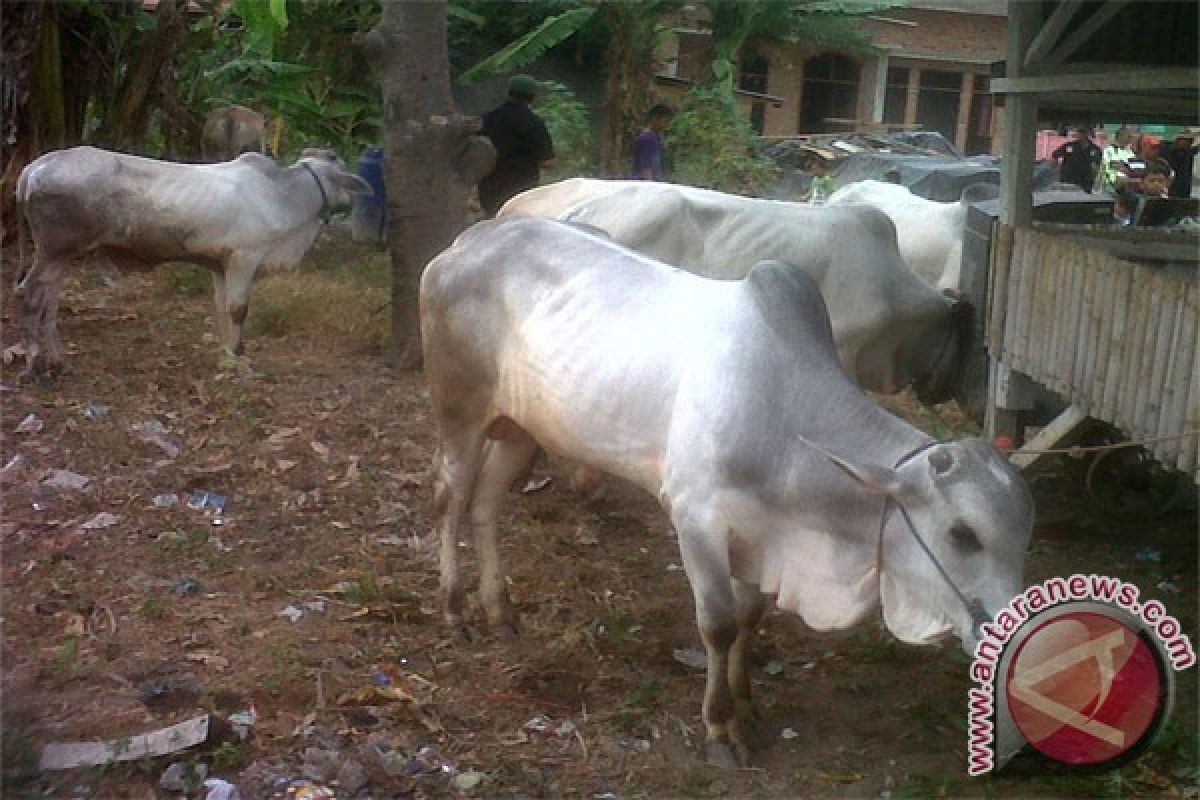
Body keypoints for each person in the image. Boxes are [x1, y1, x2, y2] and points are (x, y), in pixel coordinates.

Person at [478, 75, 556, 217]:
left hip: (489, 190)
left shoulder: (487, 119)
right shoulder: (533, 122)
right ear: (533, 97)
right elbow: (548, 162)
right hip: (521, 192)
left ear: (509, 93)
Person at [1050, 126, 1102, 193]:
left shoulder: (1095, 149)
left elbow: (1096, 166)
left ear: (1088, 134)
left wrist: (1095, 178)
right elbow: (1055, 155)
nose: (1080, 134)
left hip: (1085, 183)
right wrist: (1056, 169)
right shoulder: (1069, 146)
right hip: (1067, 181)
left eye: (1083, 132)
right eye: (1079, 132)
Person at [631, 104, 673, 180]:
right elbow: (646, 168)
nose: (667, 124)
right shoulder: (648, 139)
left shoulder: (657, 138)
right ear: (655, 119)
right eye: (665, 121)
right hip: (648, 186)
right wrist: (650, 187)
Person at [1098, 126, 1136, 194]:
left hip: (1127, 188)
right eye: (1128, 136)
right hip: (1111, 187)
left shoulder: (1131, 153)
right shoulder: (1109, 150)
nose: (1131, 139)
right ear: (1120, 137)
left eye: (1131, 137)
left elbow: (1133, 170)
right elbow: (1106, 169)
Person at [1162, 128, 1198, 198]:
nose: (1185, 142)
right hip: (1170, 190)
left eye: (1188, 140)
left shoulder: (1190, 153)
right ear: (1177, 140)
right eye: (1182, 139)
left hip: (1185, 191)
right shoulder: (1167, 151)